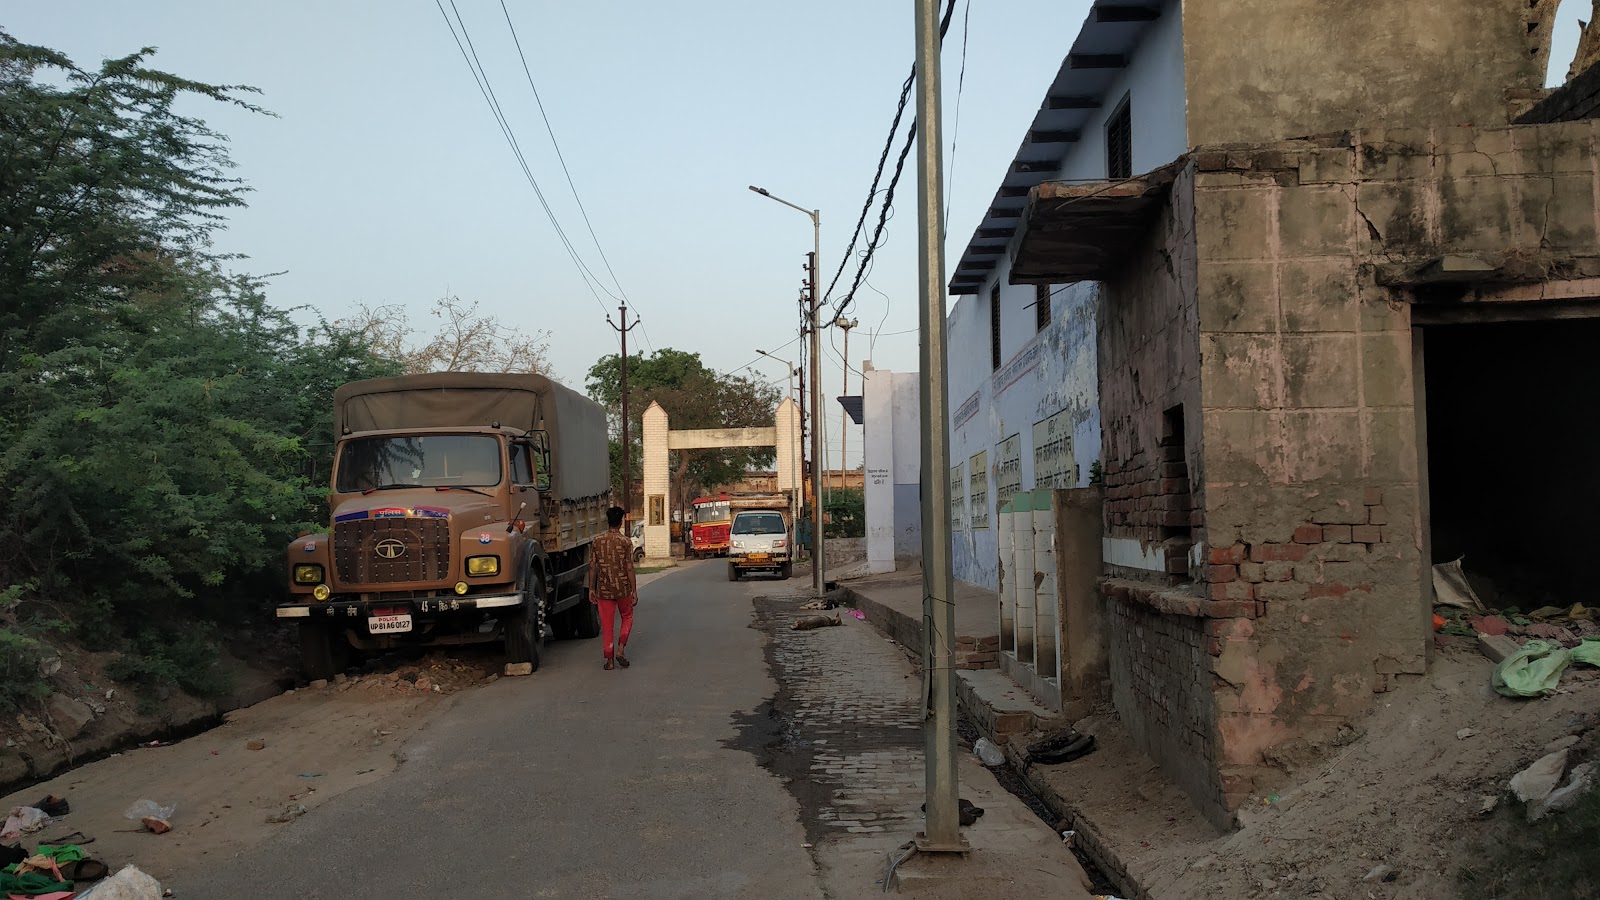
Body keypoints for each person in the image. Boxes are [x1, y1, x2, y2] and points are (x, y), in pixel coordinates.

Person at [588, 506, 637, 670]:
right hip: (623, 588)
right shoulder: (626, 542)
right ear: (621, 522)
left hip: (604, 588)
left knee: (607, 624)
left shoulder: (597, 541)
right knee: (627, 616)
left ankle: (609, 661)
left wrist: (591, 588)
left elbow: (592, 566)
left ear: (608, 521)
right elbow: (629, 567)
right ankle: (621, 650)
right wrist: (634, 590)